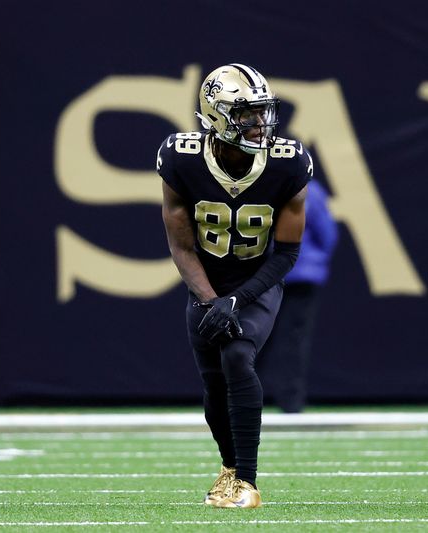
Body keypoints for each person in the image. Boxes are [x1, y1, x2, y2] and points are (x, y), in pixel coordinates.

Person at [157, 63, 312, 508]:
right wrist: (210, 300)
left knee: (238, 357)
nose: (260, 123)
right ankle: (228, 470)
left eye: (262, 112)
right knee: (213, 382)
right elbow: (182, 247)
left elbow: (286, 253)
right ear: (217, 115)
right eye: (246, 114)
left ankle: (247, 480)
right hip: (204, 283)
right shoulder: (181, 158)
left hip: (255, 283)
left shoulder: (288, 163)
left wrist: (236, 299)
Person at [257, 180, 337, 413]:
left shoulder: (260, 184)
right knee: (292, 340)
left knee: (256, 338)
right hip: (297, 275)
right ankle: (290, 403)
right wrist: (311, 260)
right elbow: (327, 235)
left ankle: (243, 400)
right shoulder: (312, 190)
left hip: (267, 275)